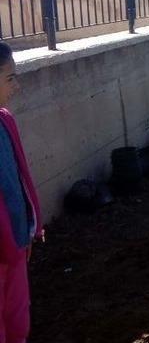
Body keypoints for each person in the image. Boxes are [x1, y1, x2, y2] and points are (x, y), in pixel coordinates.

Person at [0, 42, 43, 342]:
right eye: (10, 78)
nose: (17, 86)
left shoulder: (5, 120)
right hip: (4, 246)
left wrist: (31, 224)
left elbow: (20, 177)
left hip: (16, 242)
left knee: (17, 314)